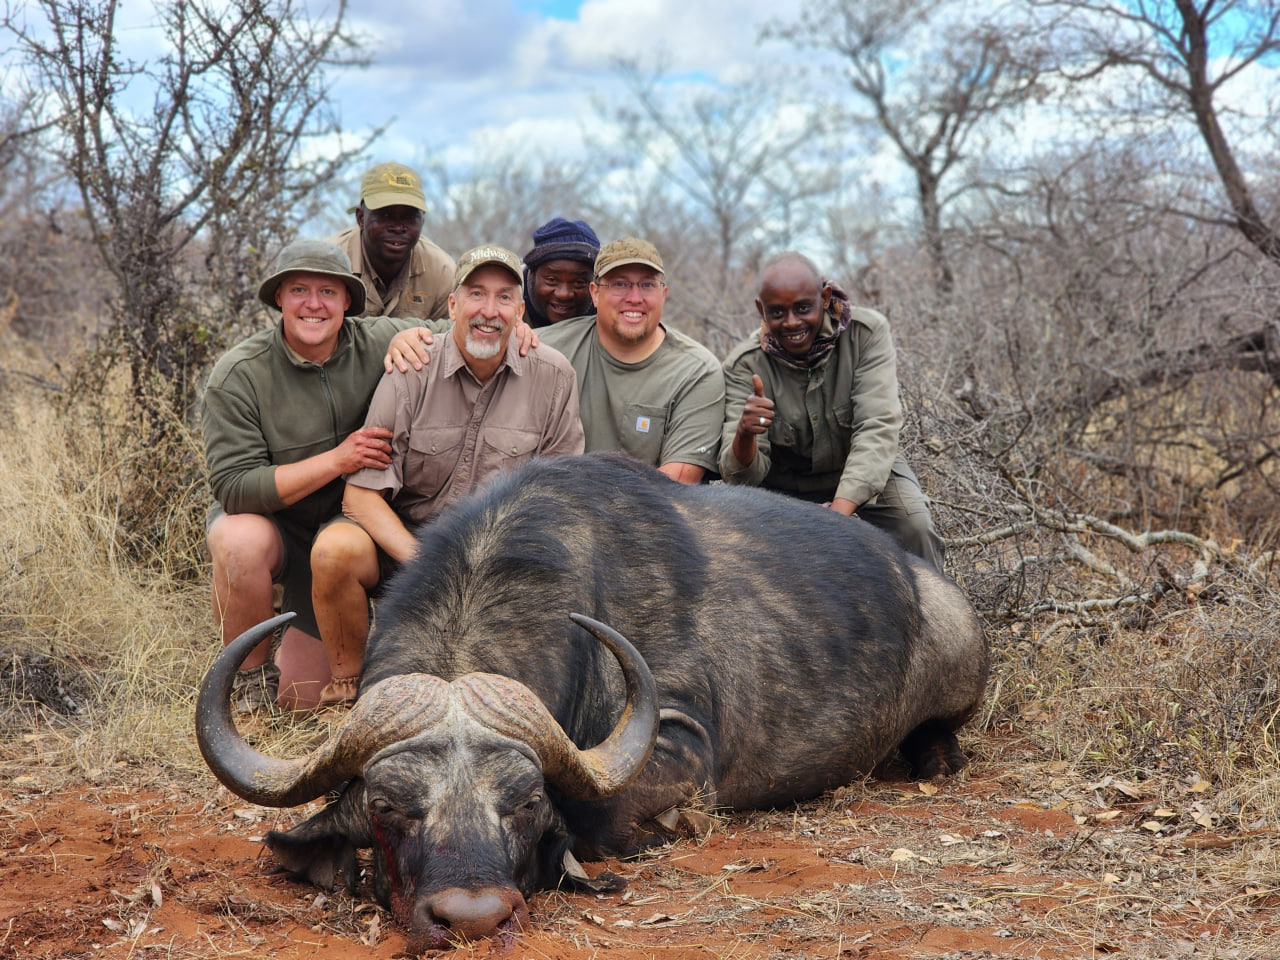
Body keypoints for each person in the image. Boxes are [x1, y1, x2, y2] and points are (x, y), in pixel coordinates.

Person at [202, 239, 537, 716]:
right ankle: (249, 688)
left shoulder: (378, 338)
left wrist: (519, 329)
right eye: (299, 290)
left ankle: (343, 679)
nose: (314, 304)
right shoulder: (238, 373)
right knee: (238, 539)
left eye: (328, 292)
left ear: (347, 301)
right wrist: (338, 460)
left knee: (304, 704)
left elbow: (465, 325)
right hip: (279, 529)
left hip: (344, 536)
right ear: (278, 297)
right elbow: (234, 488)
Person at [309, 245, 584, 706]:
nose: (489, 311)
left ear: (520, 311)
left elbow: (561, 503)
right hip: (406, 546)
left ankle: (512, 706)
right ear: (452, 304)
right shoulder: (411, 366)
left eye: (503, 298)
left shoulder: (554, 376)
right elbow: (359, 498)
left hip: (500, 557)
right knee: (335, 551)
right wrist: (427, 562)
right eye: (476, 294)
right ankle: (347, 695)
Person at [719, 251, 945, 570]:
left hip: (865, 472)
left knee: (915, 528)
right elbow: (739, 478)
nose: (792, 323)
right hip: (786, 487)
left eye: (803, 308)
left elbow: (876, 428)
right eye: (777, 312)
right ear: (760, 309)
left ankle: (932, 618)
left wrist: (838, 517)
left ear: (824, 298)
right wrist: (745, 436)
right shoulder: (744, 365)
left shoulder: (865, 334)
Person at [537, 237, 723, 483]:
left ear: (663, 294)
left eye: (647, 285)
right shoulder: (544, 349)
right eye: (620, 284)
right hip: (551, 507)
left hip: (651, 517)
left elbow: (677, 486)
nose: (635, 298)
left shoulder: (697, 371)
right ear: (595, 293)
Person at [330, 161, 454, 320]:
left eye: (409, 217)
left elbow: (450, 339)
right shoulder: (329, 262)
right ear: (361, 218)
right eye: (385, 216)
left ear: (422, 221)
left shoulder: (442, 272)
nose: (398, 228)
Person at [522, 217, 600, 327]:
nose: (563, 295)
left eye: (579, 283)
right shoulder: (505, 302)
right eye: (551, 280)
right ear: (532, 274)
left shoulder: (606, 315)